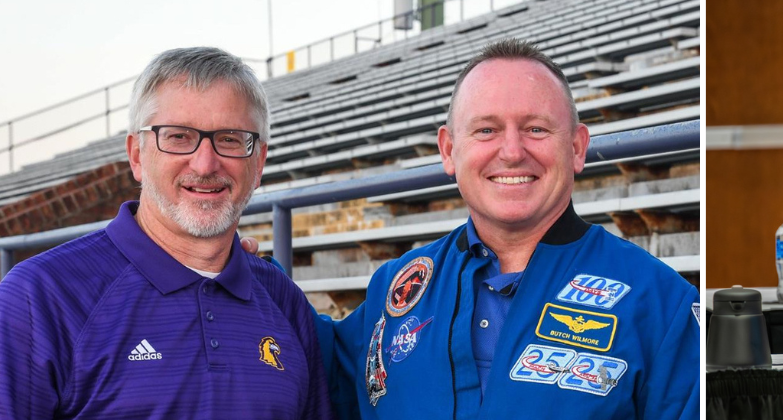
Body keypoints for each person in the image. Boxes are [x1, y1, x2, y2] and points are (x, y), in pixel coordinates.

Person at [320, 38, 700, 419]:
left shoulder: (662, 304)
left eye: (536, 129)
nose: (513, 151)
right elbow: (297, 366)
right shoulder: (394, 291)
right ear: (449, 150)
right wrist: (258, 270)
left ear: (577, 148)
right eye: (486, 130)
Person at [0, 47, 331, 419]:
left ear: (258, 164)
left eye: (230, 139)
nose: (205, 164)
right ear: (137, 155)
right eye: (177, 137)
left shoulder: (283, 300)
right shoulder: (40, 296)